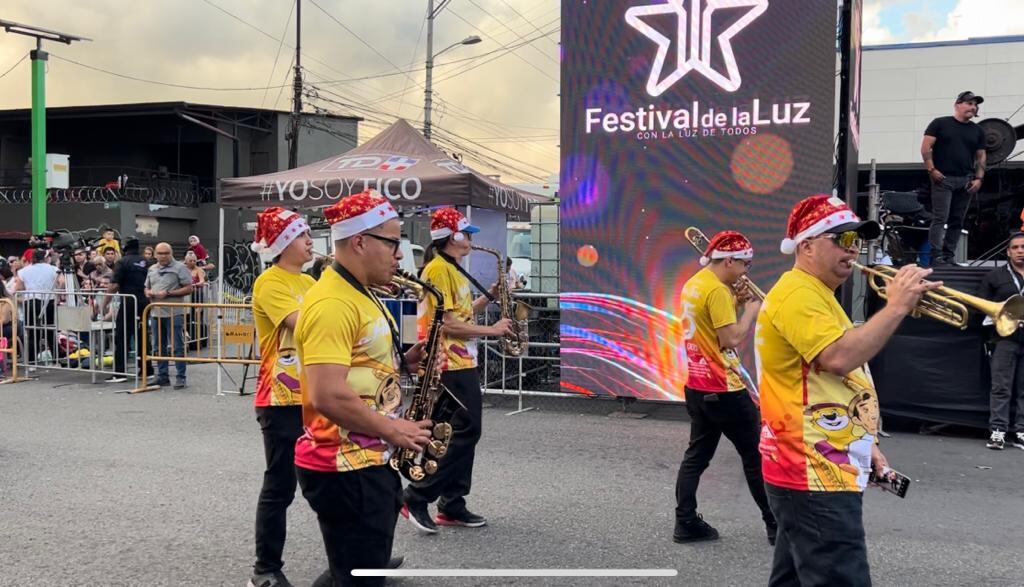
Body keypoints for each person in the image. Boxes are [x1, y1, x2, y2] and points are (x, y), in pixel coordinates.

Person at [758, 195, 937, 586]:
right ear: (806, 245)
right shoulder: (799, 294)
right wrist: (896, 307)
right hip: (813, 471)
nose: (854, 248)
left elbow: (831, 381)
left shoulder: (817, 293)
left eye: (858, 239)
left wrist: (864, 443)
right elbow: (839, 358)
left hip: (815, 465)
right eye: (842, 238)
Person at [294, 191, 432, 586]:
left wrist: (403, 362)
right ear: (359, 242)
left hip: (364, 459)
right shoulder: (333, 303)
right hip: (345, 466)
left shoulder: (360, 291)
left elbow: (355, 364)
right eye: (392, 242)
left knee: (350, 573)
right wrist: (393, 429)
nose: (399, 254)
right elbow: (327, 394)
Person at [400, 207, 514, 534]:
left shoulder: (450, 268)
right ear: (454, 237)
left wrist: (490, 296)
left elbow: (460, 314)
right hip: (448, 360)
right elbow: (447, 324)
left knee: (456, 432)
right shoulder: (439, 270)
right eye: (467, 234)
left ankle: (452, 503)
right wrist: (493, 330)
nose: (472, 240)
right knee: (467, 431)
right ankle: (417, 495)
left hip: (462, 358)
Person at [674, 231, 776, 544]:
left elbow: (708, 322)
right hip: (725, 388)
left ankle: (685, 521)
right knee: (756, 457)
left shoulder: (695, 283)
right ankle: (775, 525)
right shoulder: (717, 290)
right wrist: (750, 311)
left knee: (696, 456)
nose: (747, 270)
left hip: (698, 385)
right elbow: (729, 338)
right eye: (745, 263)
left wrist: (736, 299)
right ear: (729, 261)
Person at [247, 207, 316, 587]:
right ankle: (265, 569)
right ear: (283, 242)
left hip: (316, 393)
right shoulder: (269, 282)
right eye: (303, 235)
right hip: (281, 397)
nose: (310, 241)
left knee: (339, 478)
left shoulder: (309, 281)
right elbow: (302, 325)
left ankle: (359, 555)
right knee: (281, 486)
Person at [920, 91, 987, 266]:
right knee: (940, 218)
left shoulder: (978, 130)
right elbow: (926, 147)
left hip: (966, 180)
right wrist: (931, 170)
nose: (973, 107)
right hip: (943, 179)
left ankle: (949, 256)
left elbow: (981, 156)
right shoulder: (940, 123)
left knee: (957, 220)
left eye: (975, 105)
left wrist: (979, 179)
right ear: (958, 104)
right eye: (969, 103)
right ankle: (936, 256)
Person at [977, 232, 1024, 451]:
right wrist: (1002, 317)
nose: (1020, 251)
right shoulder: (995, 276)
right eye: (1015, 247)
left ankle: (1021, 430)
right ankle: (998, 430)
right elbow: (980, 306)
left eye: (1023, 247)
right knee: (1001, 387)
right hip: (1004, 339)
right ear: (1008, 252)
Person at [144, 242, 193, 389]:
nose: (163, 256)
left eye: (166, 253)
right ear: (155, 255)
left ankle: (181, 377)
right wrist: (148, 292)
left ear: (171, 253)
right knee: (158, 346)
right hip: (156, 312)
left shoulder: (180, 268)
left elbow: (189, 288)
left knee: (177, 346)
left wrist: (168, 293)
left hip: (174, 313)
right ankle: (162, 376)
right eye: (160, 253)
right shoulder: (152, 269)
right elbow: (146, 287)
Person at [106, 237, 151, 384]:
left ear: (124, 248)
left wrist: (105, 303)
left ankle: (120, 372)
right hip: (145, 303)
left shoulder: (122, 262)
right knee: (143, 336)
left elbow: (114, 285)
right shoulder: (147, 262)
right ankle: (147, 369)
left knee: (122, 336)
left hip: (128, 302)